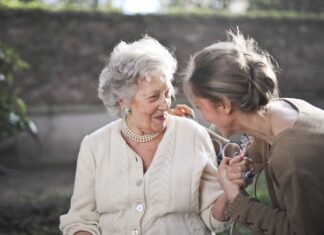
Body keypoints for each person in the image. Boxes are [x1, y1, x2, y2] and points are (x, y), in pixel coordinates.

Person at [59, 35, 251, 235]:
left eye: (167, 93)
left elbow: (214, 219)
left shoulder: (192, 135)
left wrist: (228, 190)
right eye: (153, 97)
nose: (165, 104)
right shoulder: (95, 145)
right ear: (123, 101)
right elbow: (81, 220)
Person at [183, 28, 324, 234]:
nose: (204, 116)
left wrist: (238, 200)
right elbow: (248, 153)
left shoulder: (292, 158)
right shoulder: (281, 111)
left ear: (224, 105)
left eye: (200, 107)